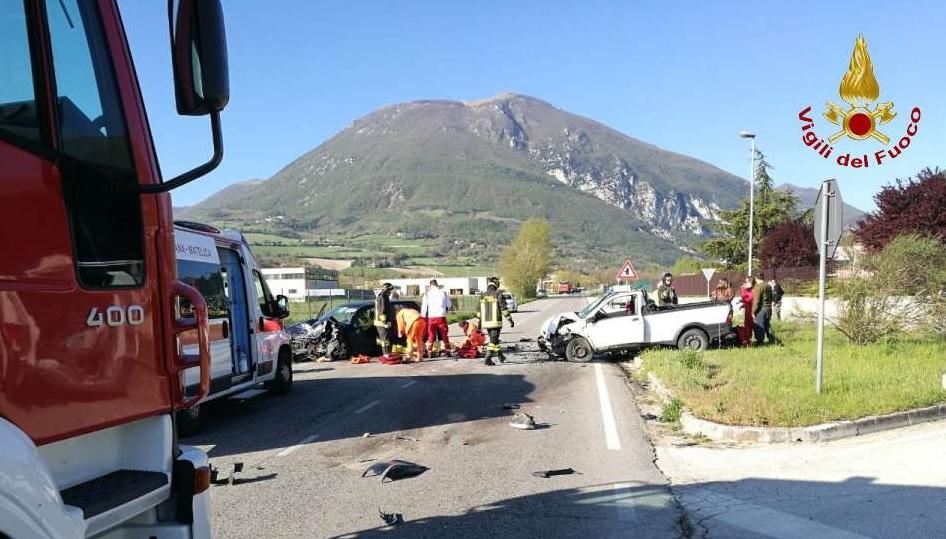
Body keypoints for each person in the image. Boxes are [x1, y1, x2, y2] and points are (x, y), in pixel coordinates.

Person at [479, 276, 514, 366]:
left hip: (486, 323)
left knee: (494, 340)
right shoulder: (498, 294)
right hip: (495, 323)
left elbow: (479, 312)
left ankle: (500, 356)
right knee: (493, 341)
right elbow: (504, 309)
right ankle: (488, 358)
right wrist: (510, 320)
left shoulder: (482, 295)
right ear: (496, 285)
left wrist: (479, 324)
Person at [421, 279, 451, 356]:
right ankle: (447, 351)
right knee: (444, 333)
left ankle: (430, 351)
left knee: (431, 334)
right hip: (441, 316)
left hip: (431, 317)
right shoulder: (444, 293)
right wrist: (445, 309)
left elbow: (424, 308)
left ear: (430, 285)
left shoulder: (427, 294)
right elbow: (449, 305)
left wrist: (423, 318)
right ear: (437, 285)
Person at [373, 283, 397, 356]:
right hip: (382, 322)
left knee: (383, 338)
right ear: (388, 290)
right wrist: (385, 322)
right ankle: (386, 353)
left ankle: (385, 353)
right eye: (390, 290)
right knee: (384, 339)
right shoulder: (384, 297)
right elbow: (382, 310)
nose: (391, 292)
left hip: (378, 321)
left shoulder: (379, 296)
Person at [752, 272, 776, 345]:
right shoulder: (768, 285)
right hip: (769, 308)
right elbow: (772, 298)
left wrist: (753, 311)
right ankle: (772, 339)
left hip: (761, 309)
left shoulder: (758, 287)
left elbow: (756, 301)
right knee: (767, 325)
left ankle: (760, 342)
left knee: (759, 326)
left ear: (756, 278)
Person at [738, 276, 755, 346]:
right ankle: (748, 339)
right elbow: (745, 298)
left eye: (746, 282)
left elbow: (748, 298)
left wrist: (742, 289)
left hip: (752, 310)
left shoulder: (753, 290)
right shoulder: (748, 289)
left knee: (751, 325)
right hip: (748, 309)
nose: (744, 283)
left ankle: (750, 339)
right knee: (747, 325)